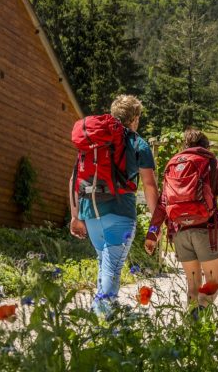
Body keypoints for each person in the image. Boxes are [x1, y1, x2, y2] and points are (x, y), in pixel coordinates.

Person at [69, 95, 158, 314]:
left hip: (90, 213)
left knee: (104, 263)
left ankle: (105, 312)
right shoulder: (137, 143)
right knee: (112, 267)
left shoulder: (95, 142)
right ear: (134, 118)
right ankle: (101, 316)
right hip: (120, 213)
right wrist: (156, 225)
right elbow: (149, 186)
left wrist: (75, 216)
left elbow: (74, 179)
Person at [145, 128, 218, 307]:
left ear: (185, 146)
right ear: (206, 146)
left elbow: (162, 204)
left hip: (180, 233)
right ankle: (200, 326)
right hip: (207, 232)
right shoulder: (212, 163)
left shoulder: (173, 164)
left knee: (193, 288)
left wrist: (152, 232)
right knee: (212, 286)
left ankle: (191, 330)